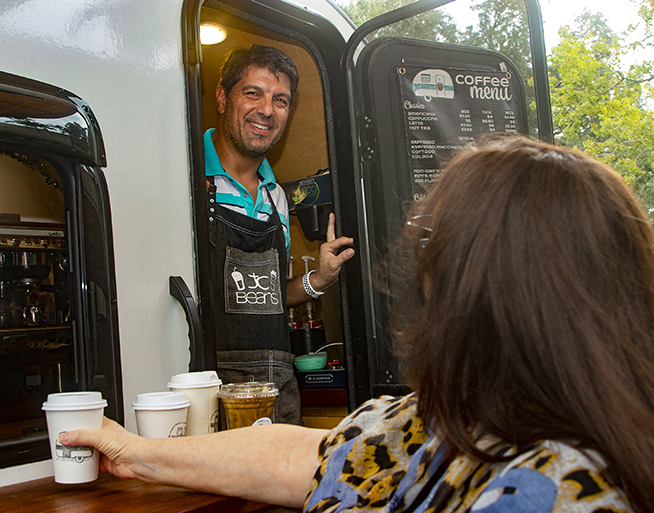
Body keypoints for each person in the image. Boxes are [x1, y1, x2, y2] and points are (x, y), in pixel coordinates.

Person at [60, 136, 654, 511]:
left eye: (434, 253)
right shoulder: (457, 419)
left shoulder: (551, 491)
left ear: (491, 294)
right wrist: (137, 453)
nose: (422, 279)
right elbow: (300, 455)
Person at [204, 44, 354, 425]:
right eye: (253, 93)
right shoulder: (188, 177)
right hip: (212, 392)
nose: (267, 110)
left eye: (281, 100)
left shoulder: (277, 198)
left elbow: (265, 295)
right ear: (223, 98)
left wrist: (319, 280)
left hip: (278, 387)